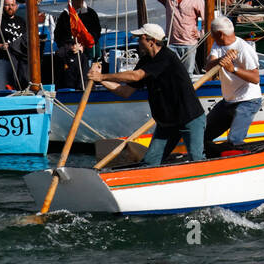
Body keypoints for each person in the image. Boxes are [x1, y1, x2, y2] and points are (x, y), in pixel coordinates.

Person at [88, 23, 206, 166]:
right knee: (150, 162)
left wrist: (102, 77)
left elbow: (136, 76)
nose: (138, 42)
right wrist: (99, 79)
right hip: (167, 122)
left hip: (189, 117)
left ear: (151, 41)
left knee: (197, 160)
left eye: (140, 39)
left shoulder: (166, 56)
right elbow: (125, 91)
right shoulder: (145, 61)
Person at [202, 15, 262, 156]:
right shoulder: (218, 45)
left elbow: (255, 78)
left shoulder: (244, 49)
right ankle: (211, 157)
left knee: (234, 140)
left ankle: (238, 159)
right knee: (202, 135)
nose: (211, 36)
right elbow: (208, 67)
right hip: (229, 101)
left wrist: (233, 69)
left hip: (248, 100)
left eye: (212, 33)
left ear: (220, 34)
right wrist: (221, 60)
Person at [52, 0, 103, 90]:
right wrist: (70, 47)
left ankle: (85, 87)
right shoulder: (65, 15)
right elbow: (58, 36)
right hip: (70, 51)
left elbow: (96, 32)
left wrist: (84, 45)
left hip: (86, 50)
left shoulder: (91, 14)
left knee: (84, 66)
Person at [149, 0, 205, 71]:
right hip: (171, 44)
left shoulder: (196, 0)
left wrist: (198, 30)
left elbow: (202, 19)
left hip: (189, 44)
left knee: (187, 73)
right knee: (172, 73)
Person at [0, 0, 28, 91]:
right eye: (7, 5)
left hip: (20, 61)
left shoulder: (22, 21)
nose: (10, 7)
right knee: (2, 88)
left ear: (16, 7)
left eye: (12, 5)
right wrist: (0, 46)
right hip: (3, 60)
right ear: (2, 6)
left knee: (22, 85)